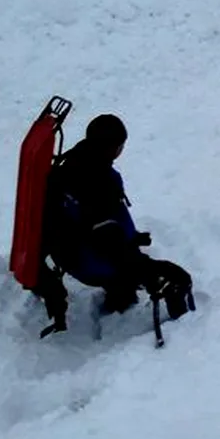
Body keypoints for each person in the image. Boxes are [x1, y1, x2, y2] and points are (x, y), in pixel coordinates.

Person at [44, 114, 158, 315]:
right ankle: (120, 308)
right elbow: (110, 244)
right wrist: (149, 270)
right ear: (113, 149)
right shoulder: (100, 185)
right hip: (83, 259)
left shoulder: (72, 162)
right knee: (124, 275)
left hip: (64, 247)